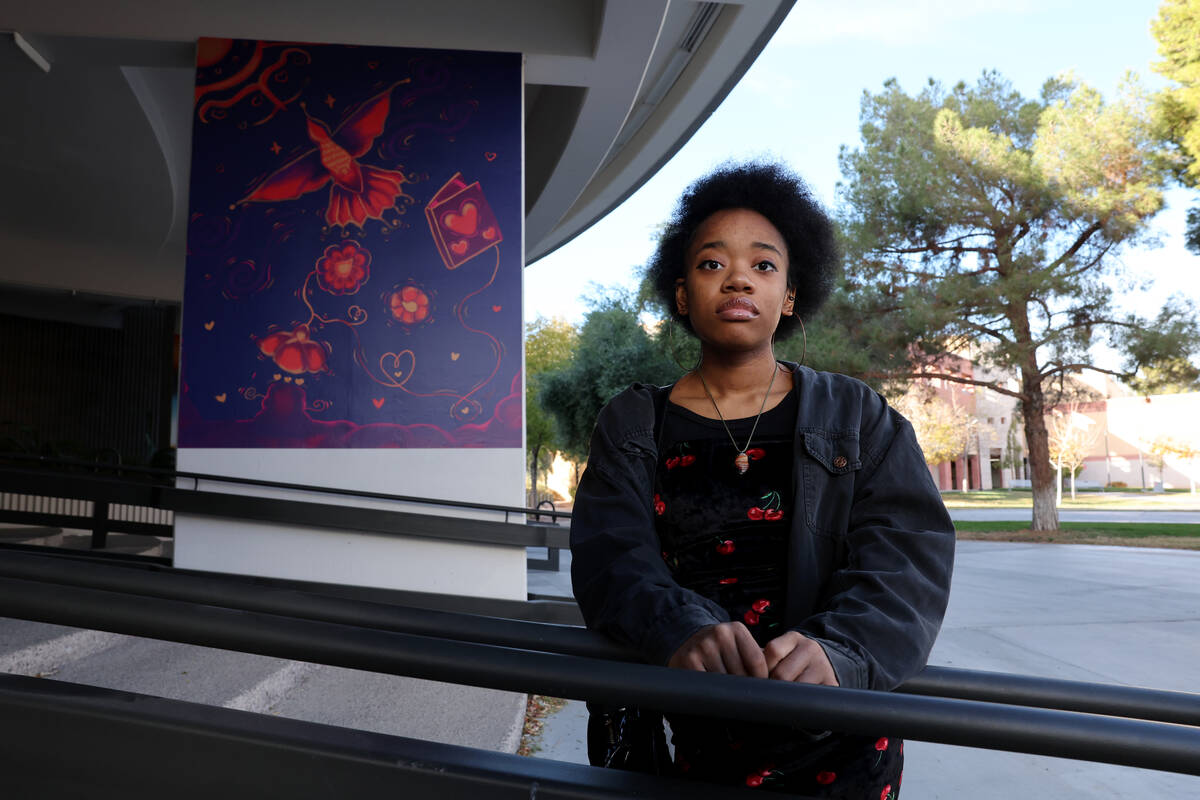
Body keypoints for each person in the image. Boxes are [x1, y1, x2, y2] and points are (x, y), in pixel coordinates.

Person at [569, 161, 955, 797]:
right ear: (682, 294)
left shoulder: (859, 417)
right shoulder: (633, 423)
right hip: (684, 731)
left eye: (764, 265)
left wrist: (842, 651)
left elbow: (908, 557)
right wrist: (680, 630)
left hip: (837, 737)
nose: (739, 277)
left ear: (791, 296)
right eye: (712, 264)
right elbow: (612, 556)